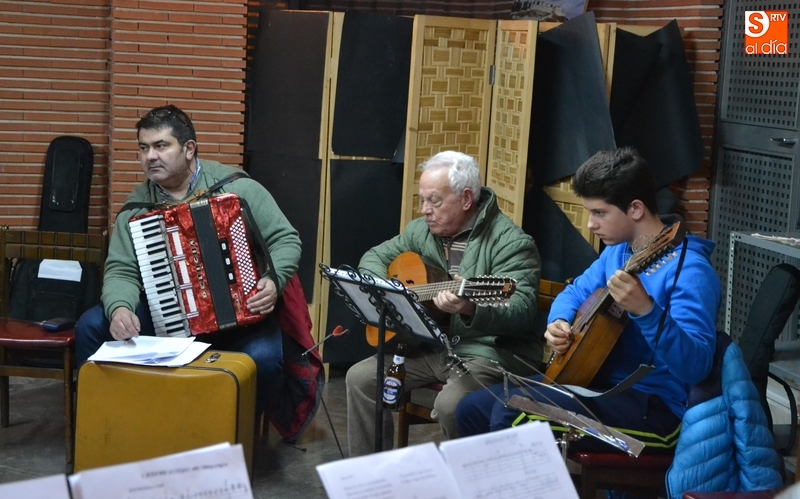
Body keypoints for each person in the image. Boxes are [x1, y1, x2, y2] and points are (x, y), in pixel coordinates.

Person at [455, 147, 721, 454]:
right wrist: (559, 321)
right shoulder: (618, 251)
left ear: (635, 209)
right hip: (595, 383)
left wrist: (646, 311)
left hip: (656, 408)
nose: (590, 224)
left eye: (599, 213)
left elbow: (696, 368)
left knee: (513, 412)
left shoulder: (690, 272)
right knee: (471, 408)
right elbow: (574, 292)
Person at [75, 105, 302, 416]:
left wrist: (273, 281)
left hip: (242, 316)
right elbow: (121, 270)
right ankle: (116, 422)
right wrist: (120, 308)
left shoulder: (237, 187)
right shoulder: (137, 208)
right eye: (143, 148)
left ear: (189, 149)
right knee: (91, 326)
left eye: (160, 146)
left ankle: (230, 435)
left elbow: (285, 240)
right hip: (168, 318)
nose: (150, 156)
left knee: (263, 360)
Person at [346, 150, 543, 456]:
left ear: (466, 199)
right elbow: (374, 257)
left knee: (453, 404)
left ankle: (469, 477)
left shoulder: (512, 243)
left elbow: (522, 310)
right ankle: (371, 475)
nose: (425, 210)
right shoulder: (419, 231)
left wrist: (471, 308)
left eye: (434, 201)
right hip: (430, 346)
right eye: (422, 200)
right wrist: (390, 290)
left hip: (486, 352)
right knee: (360, 378)